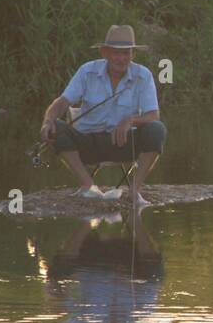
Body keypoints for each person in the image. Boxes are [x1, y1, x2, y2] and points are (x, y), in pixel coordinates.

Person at [39, 25, 166, 208]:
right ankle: (88, 186)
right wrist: (48, 121)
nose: (121, 59)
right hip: (87, 143)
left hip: (123, 143)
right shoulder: (87, 71)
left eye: (126, 53)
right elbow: (62, 102)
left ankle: (134, 190)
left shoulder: (143, 75)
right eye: (116, 53)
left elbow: (153, 115)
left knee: (157, 129)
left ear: (133, 55)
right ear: (105, 52)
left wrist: (129, 120)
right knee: (55, 128)